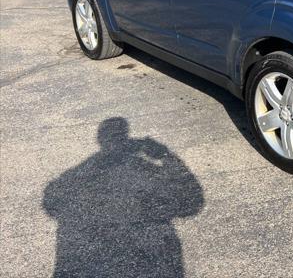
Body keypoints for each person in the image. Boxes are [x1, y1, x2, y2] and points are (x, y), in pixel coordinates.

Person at [43, 117, 204, 277]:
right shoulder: (145, 169)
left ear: (100, 139)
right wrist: (166, 156)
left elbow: (51, 201)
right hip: (150, 260)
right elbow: (192, 202)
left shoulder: (76, 175)